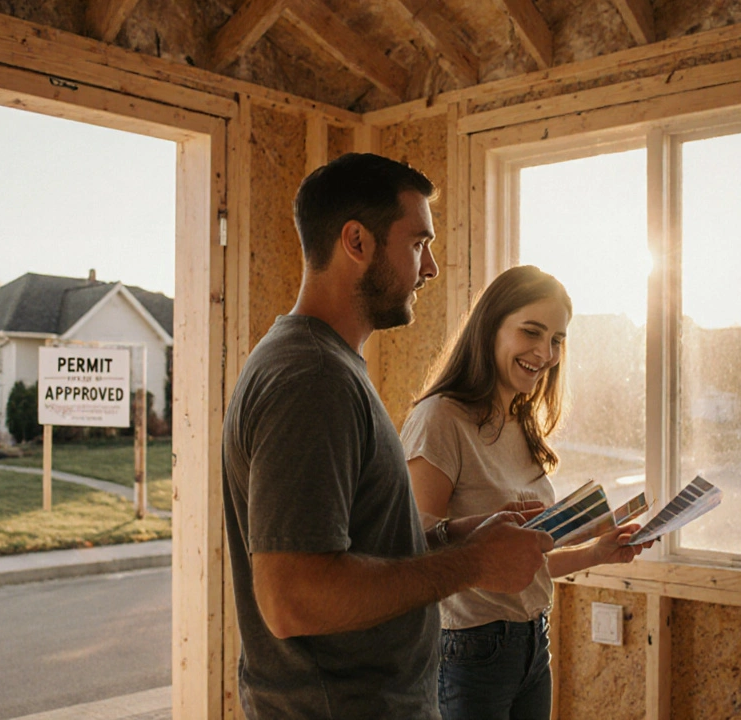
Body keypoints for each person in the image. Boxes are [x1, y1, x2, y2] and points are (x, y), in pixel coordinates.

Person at [221, 153, 555, 720]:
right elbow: (293, 598)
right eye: (419, 243)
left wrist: (455, 538)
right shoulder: (310, 378)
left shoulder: (329, 366)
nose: (431, 267)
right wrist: (472, 566)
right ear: (357, 241)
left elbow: (357, 551)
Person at [400, 264, 649, 720]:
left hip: (533, 645)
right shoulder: (440, 420)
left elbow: (523, 568)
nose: (546, 352)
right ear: (490, 328)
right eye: (532, 332)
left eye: (557, 339)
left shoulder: (522, 423)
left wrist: (599, 551)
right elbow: (413, 550)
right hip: (468, 651)